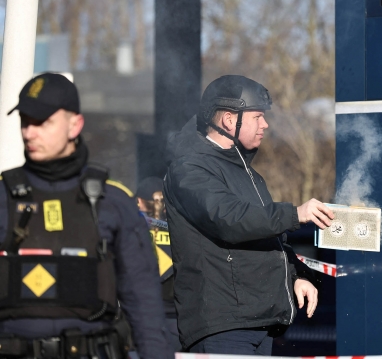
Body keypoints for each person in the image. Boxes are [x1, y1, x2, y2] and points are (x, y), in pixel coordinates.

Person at [0, 73, 173, 359]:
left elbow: (146, 312)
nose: (29, 133)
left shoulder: (113, 204)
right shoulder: (3, 199)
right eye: (25, 122)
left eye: (42, 122)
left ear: (74, 125)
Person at [163, 75, 335, 355]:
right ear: (229, 120)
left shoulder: (248, 174)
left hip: (257, 322)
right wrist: (295, 213)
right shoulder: (190, 170)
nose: (265, 124)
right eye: (257, 116)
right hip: (223, 325)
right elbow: (230, 219)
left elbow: (265, 236)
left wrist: (296, 276)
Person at [136, 177, 181, 352]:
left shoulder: (131, 229)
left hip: (140, 313)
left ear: (139, 202)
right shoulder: (181, 229)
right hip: (175, 316)